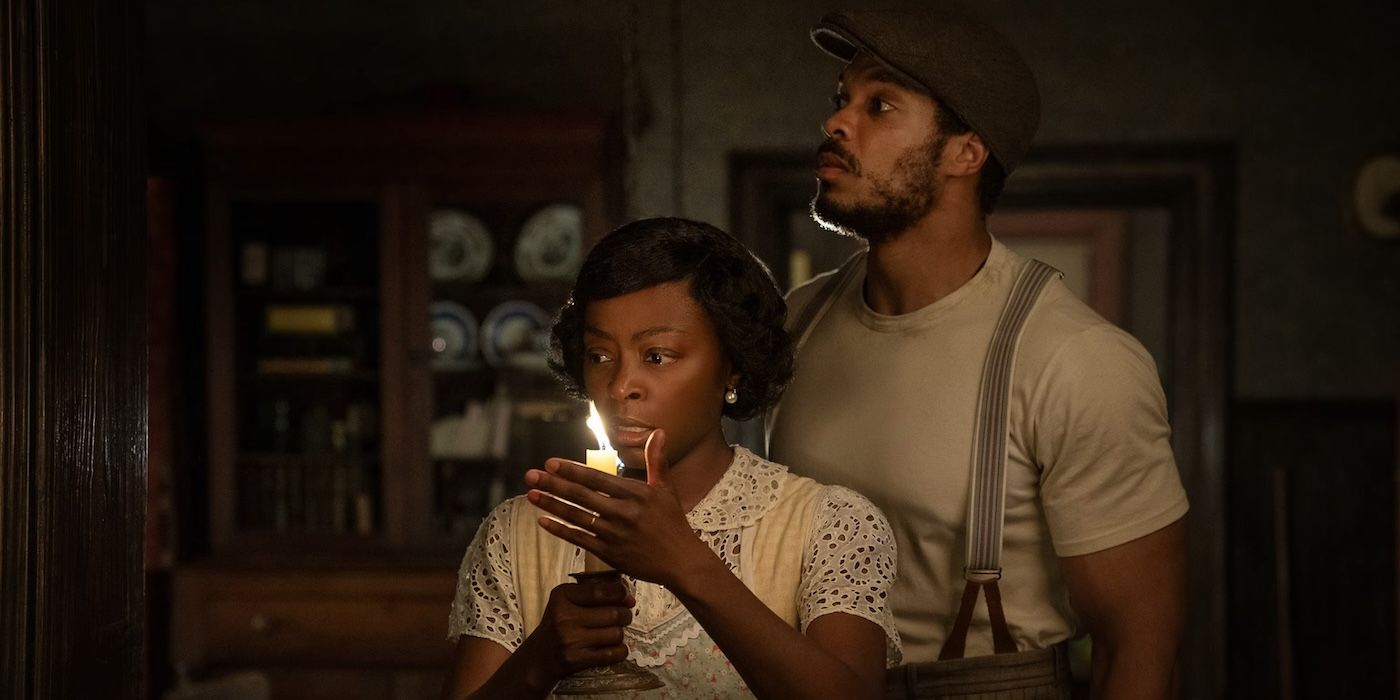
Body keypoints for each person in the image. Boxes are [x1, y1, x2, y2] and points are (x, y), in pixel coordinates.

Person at [766, 6, 1189, 699]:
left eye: (880, 105)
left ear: (966, 152)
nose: (836, 124)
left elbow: (1139, 649)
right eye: (841, 100)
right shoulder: (799, 320)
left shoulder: (1075, 360)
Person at [442, 217, 901, 699]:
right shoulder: (520, 533)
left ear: (733, 366)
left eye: (657, 356)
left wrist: (687, 564)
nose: (620, 387)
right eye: (600, 355)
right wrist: (539, 661)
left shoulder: (827, 525)